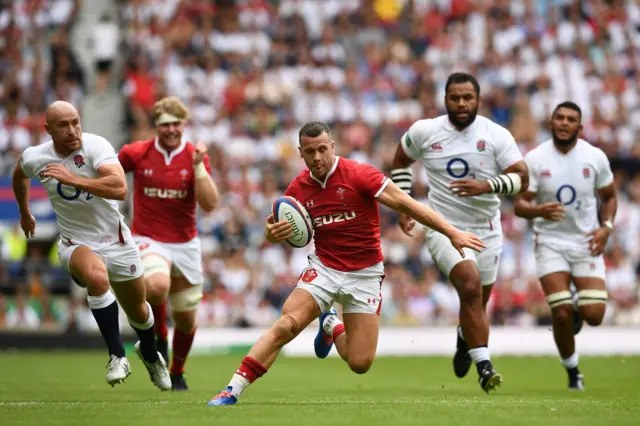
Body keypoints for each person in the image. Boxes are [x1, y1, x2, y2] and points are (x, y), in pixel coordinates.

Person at [207, 121, 486, 406]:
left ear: (332, 147)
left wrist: (451, 231)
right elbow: (278, 230)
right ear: (301, 154)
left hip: (365, 274)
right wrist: (270, 233)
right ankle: (232, 389)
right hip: (325, 269)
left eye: (321, 150)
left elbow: (407, 203)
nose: (317, 157)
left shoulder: (359, 175)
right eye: (310, 152)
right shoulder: (298, 189)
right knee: (286, 326)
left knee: (360, 362)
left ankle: (331, 325)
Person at [12, 101, 171, 391]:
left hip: (117, 241)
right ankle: (117, 355)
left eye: (76, 122)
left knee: (139, 311)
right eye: (63, 125)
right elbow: (18, 174)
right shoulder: (36, 157)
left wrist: (72, 178)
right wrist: (25, 212)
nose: (72, 130)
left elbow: (119, 187)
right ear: (48, 130)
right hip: (76, 242)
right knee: (97, 278)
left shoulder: (96, 147)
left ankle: (149, 354)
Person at [390, 72, 529, 392]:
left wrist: (488, 185)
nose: (462, 103)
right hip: (443, 226)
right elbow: (400, 161)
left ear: (478, 99)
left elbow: (522, 177)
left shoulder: (496, 135)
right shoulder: (425, 131)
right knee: (469, 286)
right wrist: (406, 205)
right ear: (445, 99)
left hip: (488, 231)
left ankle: (464, 337)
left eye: (468, 97)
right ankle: (485, 367)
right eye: (455, 97)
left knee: (477, 304)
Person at [118, 96, 219, 391]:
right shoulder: (135, 153)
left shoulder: (194, 156)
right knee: (157, 286)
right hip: (147, 238)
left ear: (184, 124)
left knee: (187, 318)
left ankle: (176, 371)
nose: (171, 129)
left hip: (186, 242)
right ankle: (159, 337)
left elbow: (210, 204)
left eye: (176, 123)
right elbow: (108, 172)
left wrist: (199, 167)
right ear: (156, 126)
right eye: (165, 124)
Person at [514, 102, 616, 390]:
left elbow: (609, 196)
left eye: (571, 119)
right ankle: (572, 370)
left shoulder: (594, 157)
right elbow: (520, 204)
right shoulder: (535, 159)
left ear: (580, 127)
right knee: (559, 313)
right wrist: (538, 211)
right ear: (551, 123)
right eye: (559, 118)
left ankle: (575, 308)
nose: (564, 123)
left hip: (586, 241)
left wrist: (605, 228)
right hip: (550, 242)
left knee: (594, 316)